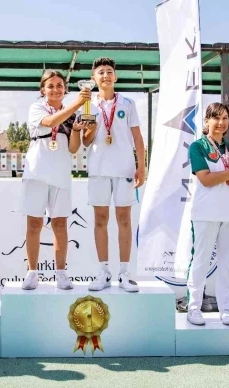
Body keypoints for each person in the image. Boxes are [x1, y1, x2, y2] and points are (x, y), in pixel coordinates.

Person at [81, 57, 146, 293]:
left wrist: (142, 166)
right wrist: (90, 128)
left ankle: (125, 273)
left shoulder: (127, 103)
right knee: (100, 220)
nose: (106, 75)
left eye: (109, 71)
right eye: (101, 72)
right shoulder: (87, 105)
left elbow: (137, 137)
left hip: (124, 169)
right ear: (93, 78)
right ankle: (104, 271)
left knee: (124, 220)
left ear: (115, 77)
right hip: (98, 170)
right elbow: (85, 141)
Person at [21, 70, 90, 291]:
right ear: (43, 89)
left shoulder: (72, 116)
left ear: (65, 89)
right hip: (37, 172)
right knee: (34, 224)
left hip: (60, 174)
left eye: (60, 85)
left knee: (60, 224)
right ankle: (32, 272)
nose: (56, 89)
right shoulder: (37, 108)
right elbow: (51, 122)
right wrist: (78, 102)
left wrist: (76, 129)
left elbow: (73, 148)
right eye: (50, 86)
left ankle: (61, 273)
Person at [185, 102, 229, 326]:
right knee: (200, 261)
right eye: (216, 118)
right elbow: (206, 179)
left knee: (228, 264)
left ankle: (226, 308)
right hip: (206, 212)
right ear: (207, 121)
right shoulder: (198, 146)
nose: (221, 123)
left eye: (225, 118)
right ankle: (194, 308)